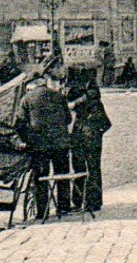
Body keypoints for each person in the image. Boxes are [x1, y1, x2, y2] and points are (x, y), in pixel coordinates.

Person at [15, 69, 74, 218]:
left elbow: (20, 124)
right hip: (61, 143)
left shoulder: (27, 99)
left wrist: (26, 140)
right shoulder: (59, 96)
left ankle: (42, 211)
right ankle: (64, 207)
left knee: (40, 177)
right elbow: (68, 119)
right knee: (63, 174)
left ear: (31, 85)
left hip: (39, 145)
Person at [67, 70, 112, 212]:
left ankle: (90, 201)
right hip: (88, 132)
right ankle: (85, 201)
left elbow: (90, 96)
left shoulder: (89, 95)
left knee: (89, 167)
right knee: (86, 166)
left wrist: (74, 103)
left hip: (88, 132)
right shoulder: (89, 93)